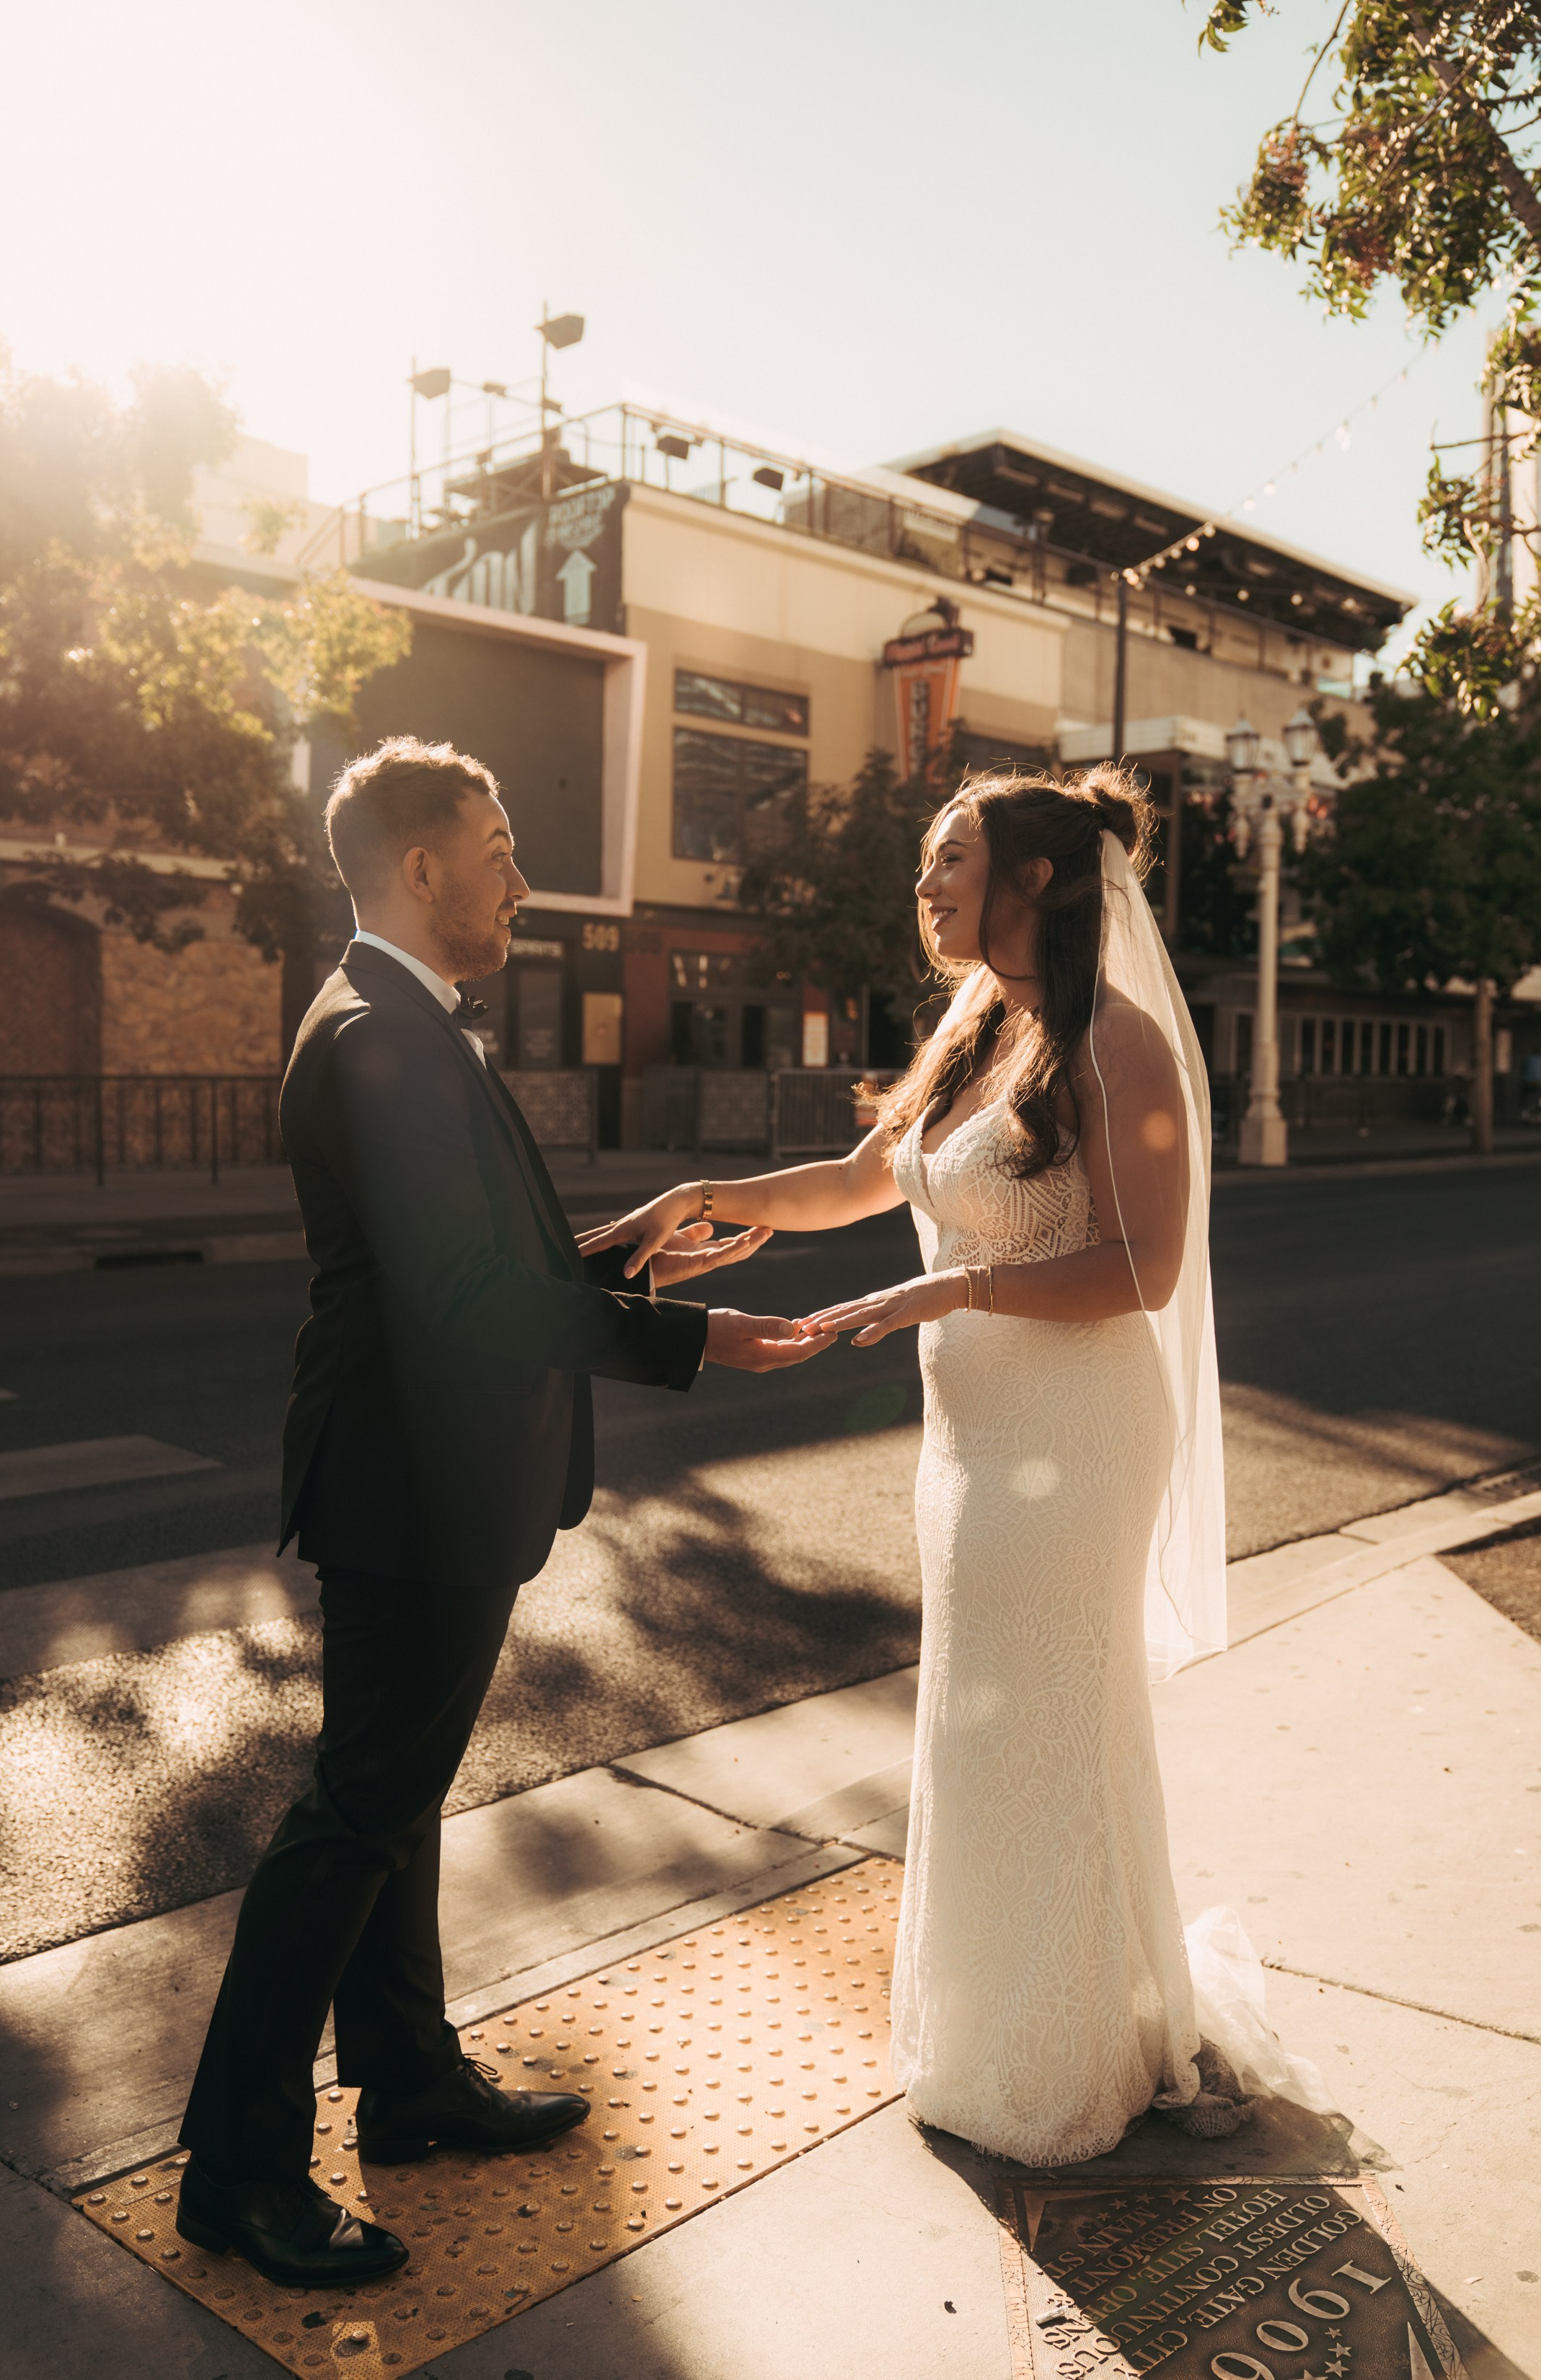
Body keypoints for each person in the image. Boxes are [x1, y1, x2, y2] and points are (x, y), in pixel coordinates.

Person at [177, 737, 829, 2288]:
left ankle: (408, 2081)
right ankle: (239, 2171)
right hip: (412, 1479)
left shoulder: (397, 1018)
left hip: (421, 1470)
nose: (522, 883)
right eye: (499, 852)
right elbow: (460, 1301)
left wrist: (626, 1253)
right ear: (421, 869)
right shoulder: (378, 1038)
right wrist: (693, 1340)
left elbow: (463, 1266)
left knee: (392, 1802)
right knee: (354, 1815)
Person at [582, 767, 1240, 2164]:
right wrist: (698, 1195)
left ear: (1035, 879)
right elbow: (853, 1180)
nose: (925, 886)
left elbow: (1144, 1268)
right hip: (970, 1443)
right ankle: (997, 2027)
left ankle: (1064, 2062)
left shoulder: (1114, 1043)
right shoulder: (975, 1023)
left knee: (1048, 1723)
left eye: (952, 859)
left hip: (1075, 1438)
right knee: (980, 1731)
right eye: (929, 863)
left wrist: (953, 1290)